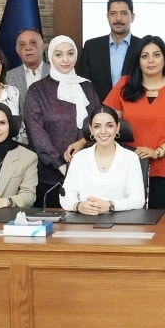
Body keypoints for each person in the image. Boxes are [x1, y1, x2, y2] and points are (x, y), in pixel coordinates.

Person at [105, 35, 165, 209]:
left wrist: (158, 152)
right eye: (144, 56)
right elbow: (109, 123)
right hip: (129, 165)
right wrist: (83, 140)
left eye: (156, 55)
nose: (151, 61)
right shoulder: (124, 84)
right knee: (128, 219)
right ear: (138, 60)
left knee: (163, 221)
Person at [25, 36, 99, 207]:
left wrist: (83, 141)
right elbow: (36, 133)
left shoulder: (87, 87)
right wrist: (60, 164)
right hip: (50, 175)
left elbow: (98, 123)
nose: (65, 60)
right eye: (59, 55)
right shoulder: (38, 90)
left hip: (87, 171)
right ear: (50, 56)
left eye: (70, 53)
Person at [61, 105, 147, 213]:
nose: (103, 131)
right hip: (85, 220)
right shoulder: (79, 158)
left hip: (122, 220)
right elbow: (65, 196)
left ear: (117, 128)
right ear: (91, 130)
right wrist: (78, 206)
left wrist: (110, 205)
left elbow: (138, 200)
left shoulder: (131, 158)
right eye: (97, 126)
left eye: (109, 126)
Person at [79, 0, 141, 97]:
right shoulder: (91, 47)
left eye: (124, 13)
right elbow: (84, 84)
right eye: (113, 13)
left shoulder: (143, 47)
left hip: (134, 105)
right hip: (98, 106)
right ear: (107, 17)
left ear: (132, 17)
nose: (118, 18)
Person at [3, 27, 48, 118]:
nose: (28, 48)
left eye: (33, 43)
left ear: (43, 47)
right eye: (22, 44)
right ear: (17, 50)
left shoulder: (56, 73)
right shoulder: (7, 78)